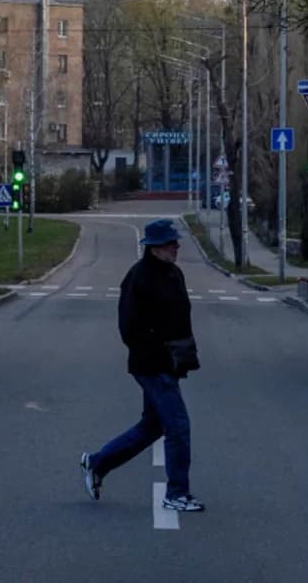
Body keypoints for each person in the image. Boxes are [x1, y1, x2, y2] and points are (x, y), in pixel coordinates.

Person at [79, 218, 204, 512]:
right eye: (169, 243)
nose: (175, 246)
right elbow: (129, 327)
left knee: (153, 426)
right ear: (154, 248)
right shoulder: (140, 277)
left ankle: (97, 463)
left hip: (169, 363)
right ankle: (177, 494)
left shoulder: (173, 273)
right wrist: (157, 353)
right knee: (178, 426)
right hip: (152, 365)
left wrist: (182, 355)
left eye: (175, 242)